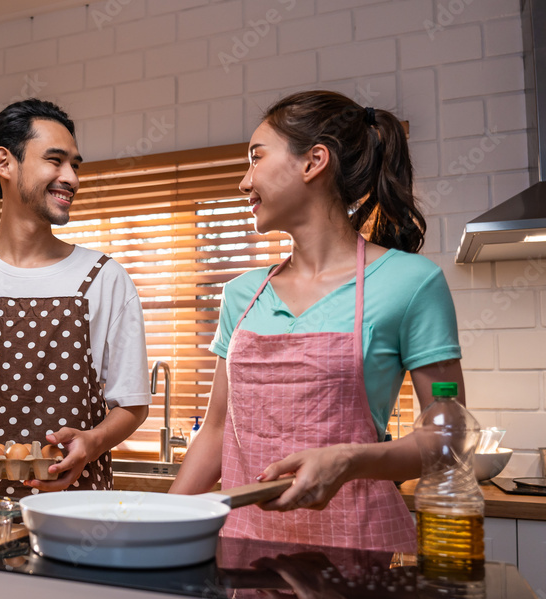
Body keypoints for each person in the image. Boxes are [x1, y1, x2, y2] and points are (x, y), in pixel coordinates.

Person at [169, 91, 464, 552]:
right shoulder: (243, 294)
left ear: (313, 162)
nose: (244, 183)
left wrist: (348, 460)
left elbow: (450, 438)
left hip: (358, 553)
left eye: (255, 158)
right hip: (244, 550)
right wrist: (160, 525)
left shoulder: (411, 283)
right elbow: (218, 429)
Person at [0, 99, 150, 498]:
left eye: (75, 165)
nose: (71, 177)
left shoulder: (104, 278)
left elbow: (132, 404)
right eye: (55, 160)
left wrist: (93, 443)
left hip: (69, 510)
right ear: (5, 163)